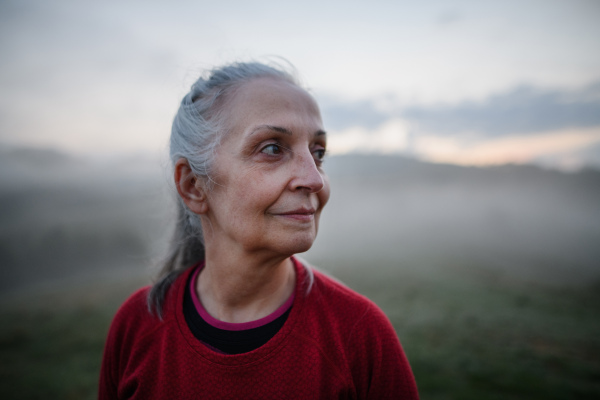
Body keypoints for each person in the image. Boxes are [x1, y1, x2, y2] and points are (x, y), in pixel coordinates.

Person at [99, 61, 419, 399]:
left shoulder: (360, 334)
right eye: (272, 148)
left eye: (318, 153)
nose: (314, 178)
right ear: (194, 186)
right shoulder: (136, 325)